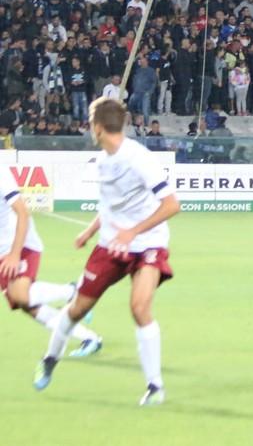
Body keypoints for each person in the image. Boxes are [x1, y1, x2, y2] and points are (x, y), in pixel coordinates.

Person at [34, 97, 180, 405]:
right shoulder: (102, 161)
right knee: (77, 309)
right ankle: (50, 358)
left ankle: (155, 387)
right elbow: (111, 205)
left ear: (98, 127)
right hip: (110, 245)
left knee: (139, 308)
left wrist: (132, 232)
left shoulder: (140, 159)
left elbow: (171, 205)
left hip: (148, 244)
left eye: (90, 123)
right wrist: (89, 231)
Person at [3, 167, 103, 356]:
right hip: (3, 251)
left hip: (18, 244)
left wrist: (15, 254)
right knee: (29, 307)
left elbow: (23, 213)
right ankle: (89, 338)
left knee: (21, 296)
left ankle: (71, 291)